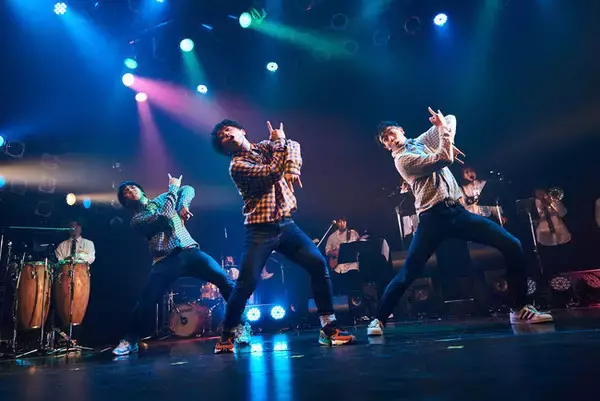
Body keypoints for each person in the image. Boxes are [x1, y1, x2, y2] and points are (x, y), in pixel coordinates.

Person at [368, 107, 553, 336]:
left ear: (400, 130)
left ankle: (518, 308)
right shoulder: (402, 160)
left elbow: (450, 119)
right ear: (387, 147)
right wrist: (444, 143)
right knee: (408, 273)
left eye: (390, 133)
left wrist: (443, 133)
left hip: (457, 212)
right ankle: (378, 320)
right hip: (432, 218)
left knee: (512, 244)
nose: (389, 139)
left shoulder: (420, 142)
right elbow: (444, 158)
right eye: (385, 140)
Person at [210, 119, 355, 353]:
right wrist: (279, 145)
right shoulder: (237, 166)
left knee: (318, 264)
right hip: (260, 229)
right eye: (222, 138)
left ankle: (329, 328)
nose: (227, 135)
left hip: (286, 225)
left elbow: (293, 145)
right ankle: (226, 335)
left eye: (228, 130)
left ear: (242, 130)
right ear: (225, 149)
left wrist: (292, 168)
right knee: (246, 284)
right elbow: (272, 172)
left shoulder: (264, 147)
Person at [112, 175, 248, 356]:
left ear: (142, 190)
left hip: (189, 250)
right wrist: (173, 188)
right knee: (146, 301)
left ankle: (240, 325)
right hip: (165, 259)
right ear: (126, 202)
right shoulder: (138, 220)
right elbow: (165, 216)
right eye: (125, 192)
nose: (130, 190)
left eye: (132, 187)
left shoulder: (162, 198)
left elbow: (189, 189)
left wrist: (183, 206)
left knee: (225, 280)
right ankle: (129, 340)